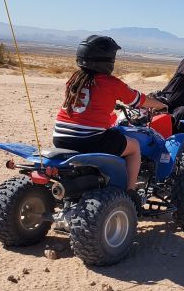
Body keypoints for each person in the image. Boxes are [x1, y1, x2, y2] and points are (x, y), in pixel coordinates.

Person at [53, 35, 166, 191]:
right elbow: (138, 100)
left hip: (60, 137)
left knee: (111, 134)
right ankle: (130, 191)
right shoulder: (111, 83)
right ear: (106, 60)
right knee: (134, 147)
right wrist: (160, 105)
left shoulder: (74, 79)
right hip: (89, 138)